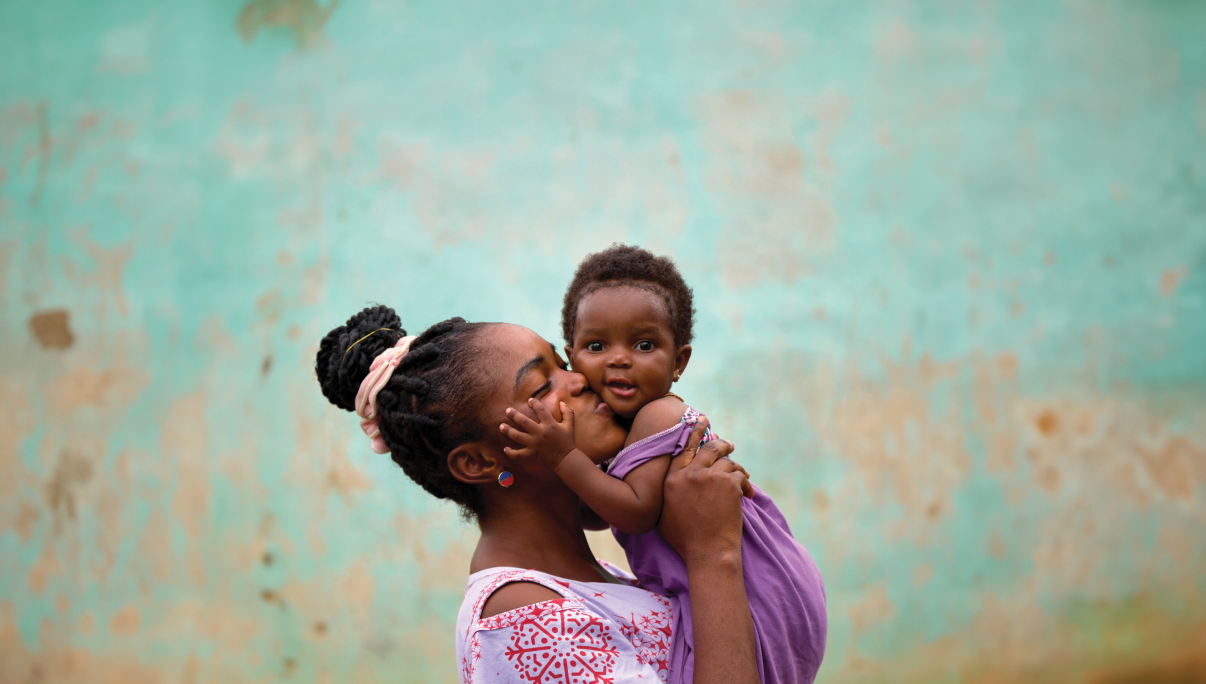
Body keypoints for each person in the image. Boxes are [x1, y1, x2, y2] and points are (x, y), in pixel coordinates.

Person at [315, 305, 761, 684]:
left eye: (562, 365)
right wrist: (711, 553)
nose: (582, 380)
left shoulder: (593, 578)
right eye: (542, 387)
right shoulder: (525, 620)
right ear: (479, 463)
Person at [500, 245, 827, 684]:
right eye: (597, 345)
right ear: (573, 357)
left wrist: (562, 458)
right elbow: (603, 512)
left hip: (757, 583)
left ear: (678, 362)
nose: (619, 358)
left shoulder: (661, 415)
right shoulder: (620, 432)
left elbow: (634, 512)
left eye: (644, 344)